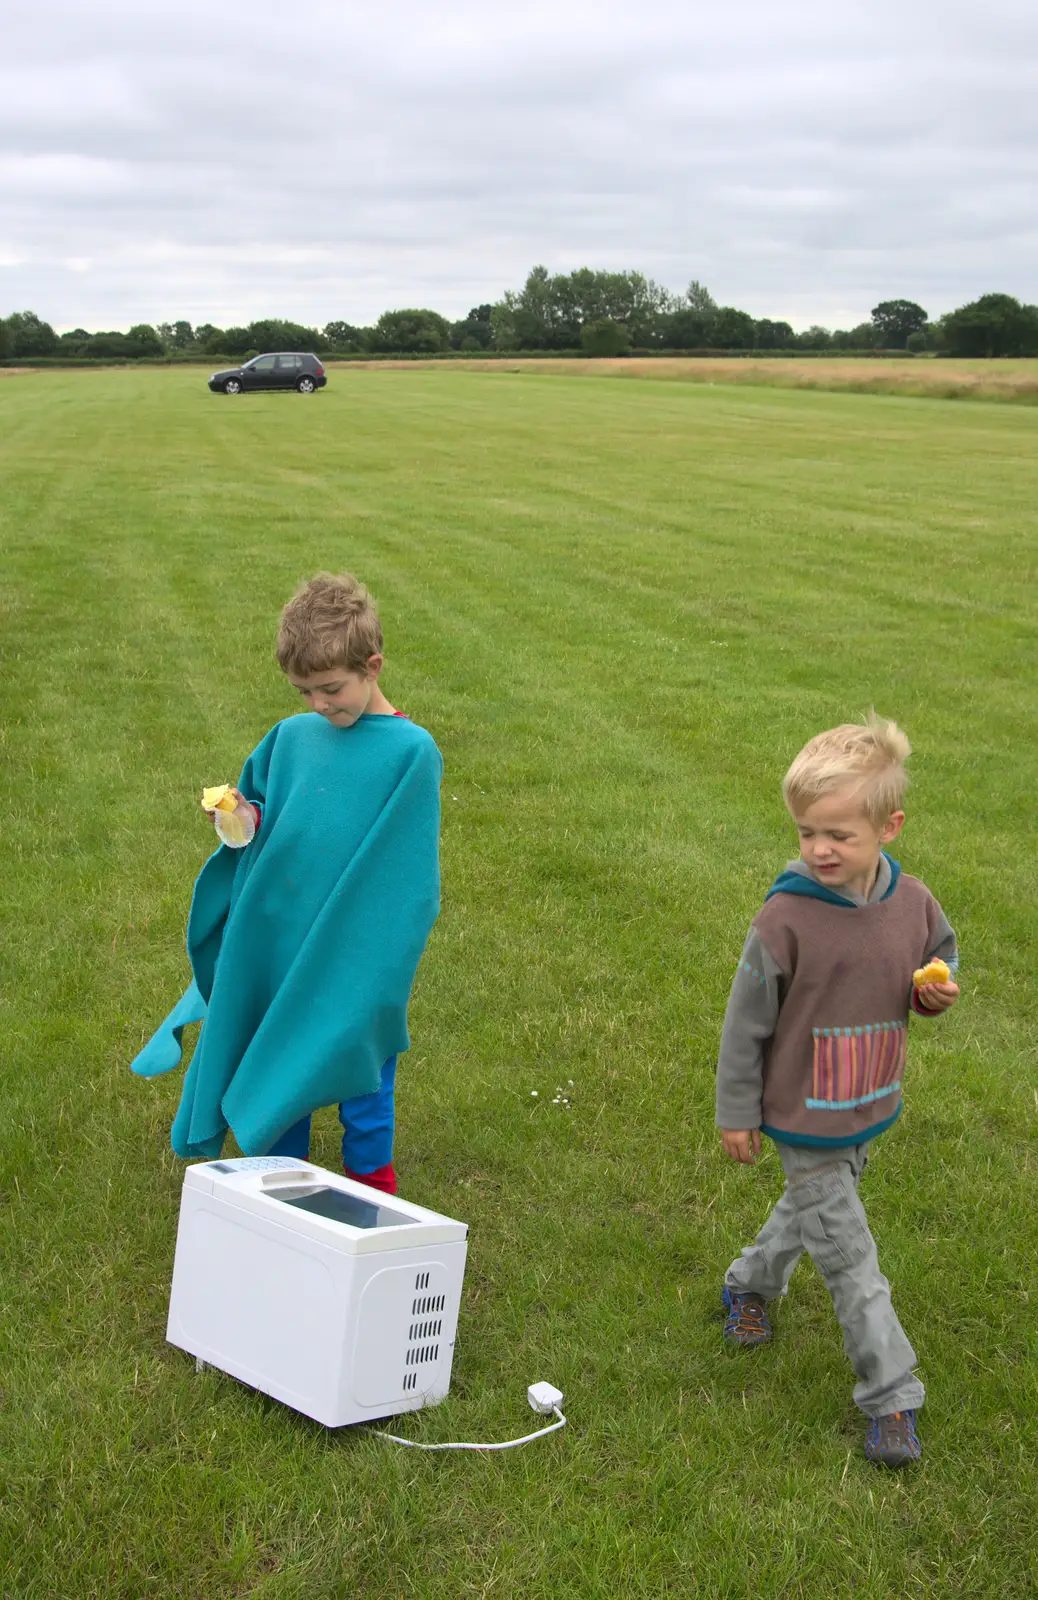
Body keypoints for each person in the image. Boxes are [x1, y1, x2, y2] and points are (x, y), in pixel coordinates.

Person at [131, 573, 442, 1195]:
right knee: (281, 1045)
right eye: (306, 692)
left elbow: (404, 869)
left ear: (372, 666)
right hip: (284, 930)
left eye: (332, 689)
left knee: (363, 1053)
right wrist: (240, 816)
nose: (321, 705)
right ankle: (280, 1176)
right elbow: (271, 817)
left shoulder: (411, 753)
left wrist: (381, 952)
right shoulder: (293, 738)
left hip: (357, 945)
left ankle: (371, 1179)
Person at [715, 714, 959, 1467]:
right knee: (852, 1260)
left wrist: (935, 991)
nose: (820, 849)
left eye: (838, 836)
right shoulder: (784, 918)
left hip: (869, 1101)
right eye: (806, 833)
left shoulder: (912, 901)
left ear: (889, 827)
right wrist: (737, 1112)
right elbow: (744, 1024)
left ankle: (749, 1283)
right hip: (801, 1116)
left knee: (811, 1217)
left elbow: (937, 956)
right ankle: (892, 1394)